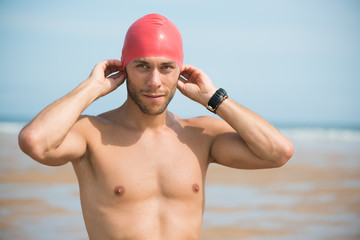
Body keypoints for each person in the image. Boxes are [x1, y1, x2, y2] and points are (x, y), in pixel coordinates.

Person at [18, 13, 293, 240]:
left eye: (166, 67)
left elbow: (278, 152)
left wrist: (215, 99)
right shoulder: (91, 134)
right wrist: (91, 89)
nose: (154, 81)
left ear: (180, 71)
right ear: (124, 68)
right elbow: (34, 141)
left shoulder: (200, 136)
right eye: (142, 66)